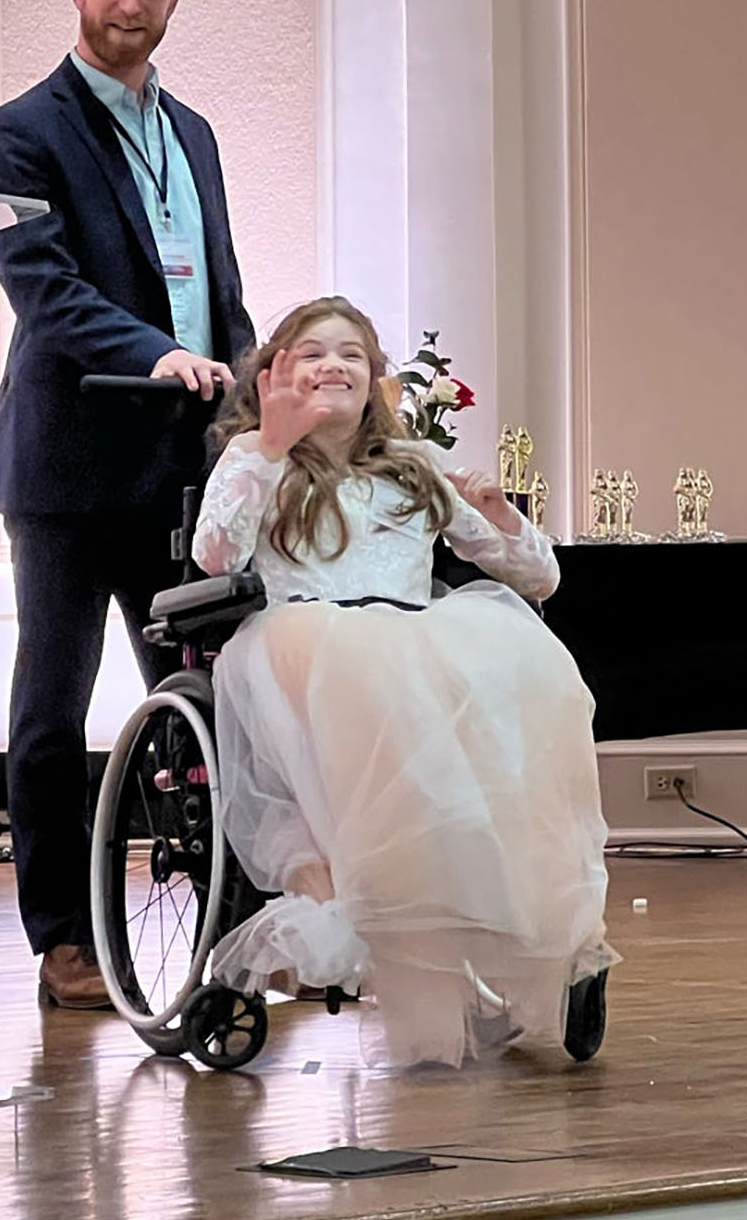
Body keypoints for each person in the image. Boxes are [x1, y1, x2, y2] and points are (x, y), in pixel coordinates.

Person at [192, 296, 616, 1068]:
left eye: (351, 354)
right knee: (366, 668)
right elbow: (216, 558)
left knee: (531, 669)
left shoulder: (415, 469)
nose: (333, 365)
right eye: (312, 352)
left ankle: (544, 940)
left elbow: (538, 579)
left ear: (377, 379)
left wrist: (501, 517)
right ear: (276, 373)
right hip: (304, 634)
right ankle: (385, 906)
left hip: (415, 633)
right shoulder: (257, 456)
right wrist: (270, 448)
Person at [0, 0, 256, 1009]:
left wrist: (259, 383)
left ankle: (223, 917)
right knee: (52, 709)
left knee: (200, 704)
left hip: (182, 466)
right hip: (65, 468)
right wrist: (160, 354)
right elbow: (46, 293)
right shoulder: (19, 131)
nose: (129, 4)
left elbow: (220, 291)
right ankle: (62, 938)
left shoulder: (195, 133)